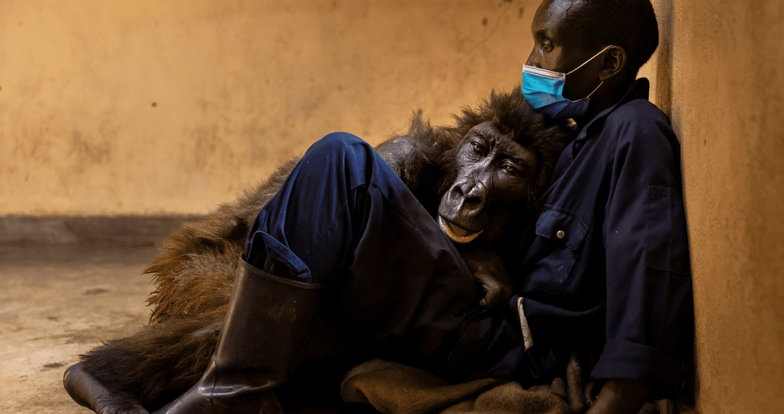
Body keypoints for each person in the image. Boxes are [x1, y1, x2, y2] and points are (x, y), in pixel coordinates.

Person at [152, 0, 694, 413]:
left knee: (343, 162)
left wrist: (625, 388)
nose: (532, 61)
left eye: (546, 44)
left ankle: (234, 390)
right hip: (479, 306)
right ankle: (236, 382)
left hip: (505, 343)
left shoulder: (634, 133)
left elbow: (645, 256)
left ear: (608, 65)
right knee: (346, 175)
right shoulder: (570, 132)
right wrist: (485, 260)